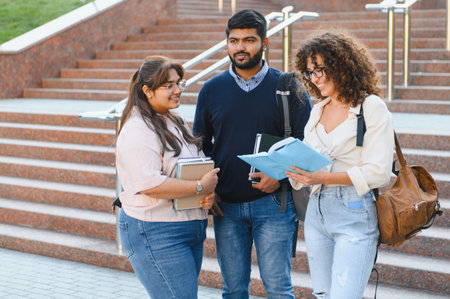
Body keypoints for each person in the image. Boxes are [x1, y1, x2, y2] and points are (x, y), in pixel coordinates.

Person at [193, 9, 312, 298]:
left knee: (279, 289)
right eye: (234, 41)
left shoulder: (288, 86)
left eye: (249, 40)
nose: (240, 48)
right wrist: (211, 189)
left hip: (273, 205)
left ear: (265, 42)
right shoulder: (211, 90)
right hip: (227, 207)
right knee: (233, 290)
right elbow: (200, 145)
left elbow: (306, 141)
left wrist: (280, 176)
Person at [286, 32, 394, 299]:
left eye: (321, 69)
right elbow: (309, 165)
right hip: (316, 214)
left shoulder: (370, 107)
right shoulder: (317, 110)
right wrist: (288, 168)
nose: (315, 78)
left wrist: (323, 177)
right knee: (323, 295)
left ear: (343, 66)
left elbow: (379, 172)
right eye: (310, 72)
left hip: (354, 211)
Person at [115, 55, 220, 299]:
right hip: (156, 231)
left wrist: (207, 192)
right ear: (147, 91)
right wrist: (198, 187)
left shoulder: (176, 120)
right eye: (169, 85)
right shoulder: (137, 129)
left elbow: (193, 164)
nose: (177, 91)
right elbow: (148, 183)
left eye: (179, 83)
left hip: (188, 226)